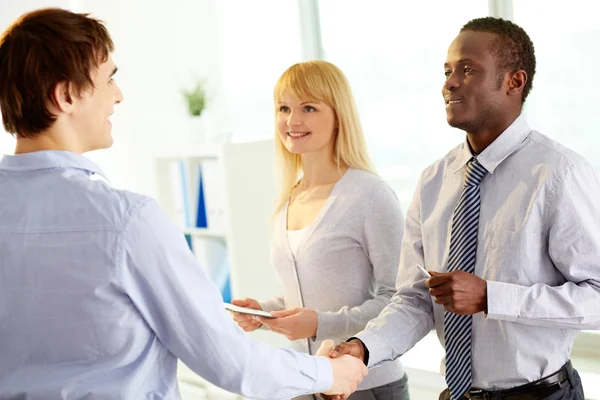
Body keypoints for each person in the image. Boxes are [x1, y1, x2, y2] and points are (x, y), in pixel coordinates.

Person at [0, 8, 368, 399]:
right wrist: (328, 373)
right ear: (66, 95)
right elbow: (230, 362)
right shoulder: (126, 221)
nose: (118, 95)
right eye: (109, 79)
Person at [325, 16, 600, 400]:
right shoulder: (434, 181)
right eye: (447, 70)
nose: (449, 82)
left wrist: (492, 296)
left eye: (468, 70)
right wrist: (362, 348)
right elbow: (415, 300)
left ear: (514, 82)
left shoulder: (559, 173)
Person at [231, 60, 409, 400]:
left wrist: (319, 324)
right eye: (284, 108)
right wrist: (265, 311)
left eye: (308, 107)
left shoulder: (369, 194)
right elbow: (310, 292)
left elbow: (399, 301)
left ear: (338, 115)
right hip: (305, 381)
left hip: (365, 386)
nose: (292, 120)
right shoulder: (291, 196)